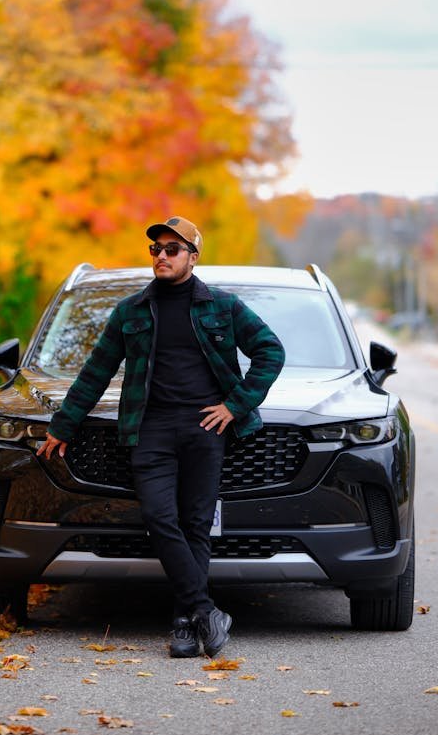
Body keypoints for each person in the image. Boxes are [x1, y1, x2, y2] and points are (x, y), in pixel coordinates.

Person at [36, 216, 285, 658]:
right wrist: (63, 424)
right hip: (150, 430)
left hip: (205, 430)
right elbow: (96, 371)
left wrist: (235, 405)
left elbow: (270, 350)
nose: (162, 256)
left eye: (173, 249)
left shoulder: (222, 307)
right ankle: (206, 611)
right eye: (156, 250)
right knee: (158, 518)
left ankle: (185, 625)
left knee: (195, 525)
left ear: (193, 256)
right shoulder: (131, 311)